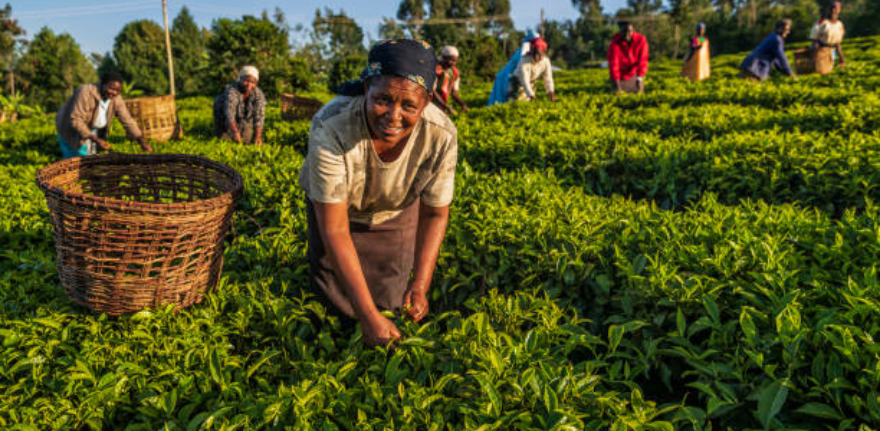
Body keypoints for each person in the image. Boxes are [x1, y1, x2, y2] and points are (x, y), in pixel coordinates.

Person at [299, 39, 458, 347]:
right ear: (367, 87)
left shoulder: (441, 135)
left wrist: (420, 285)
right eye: (382, 99)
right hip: (336, 214)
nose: (393, 116)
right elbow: (333, 228)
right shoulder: (332, 125)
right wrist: (368, 316)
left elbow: (436, 213)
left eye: (409, 105)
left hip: (396, 212)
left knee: (392, 300)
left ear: (426, 102)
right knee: (334, 306)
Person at [55, 71, 152, 159]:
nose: (114, 93)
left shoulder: (116, 98)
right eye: (111, 88)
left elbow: (127, 120)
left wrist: (141, 140)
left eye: (118, 90)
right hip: (70, 129)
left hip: (90, 129)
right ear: (103, 84)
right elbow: (76, 120)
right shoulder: (86, 92)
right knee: (75, 160)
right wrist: (96, 139)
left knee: (90, 158)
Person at [213, 66, 266, 145]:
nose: (249, 84)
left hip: (244, 117)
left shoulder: (258, 95)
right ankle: (223, 131)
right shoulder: (232, 90)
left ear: (256, 83)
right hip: (222, 114)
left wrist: (258, 137)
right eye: (246, 81)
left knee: (246, 140)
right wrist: (235, 132)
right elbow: (229, 113)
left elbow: (259, 117)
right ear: (240, 80)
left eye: (252, 82)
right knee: (225, 139)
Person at [487, 29, 538, 106]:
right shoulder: (525, 49)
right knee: (504, 101)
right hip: (507, 77)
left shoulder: (527, 49)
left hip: (508, 75)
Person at [509, 37, 557, 102]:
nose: (538, 58)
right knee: (516, 102)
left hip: (531, 82)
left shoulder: (546, 61)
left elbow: (548, 78)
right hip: (517, 83)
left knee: (528, 102)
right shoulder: (524, 61)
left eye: (540, 55)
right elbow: (524, 80)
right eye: (536, 54)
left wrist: (551, 92)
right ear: (532, 52)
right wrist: (531, 95)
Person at [608, 21, 650, 94]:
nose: (627, 34)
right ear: (620, 32)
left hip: (635, 73)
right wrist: (616, 84)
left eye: (629, 31)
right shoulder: (615, 42)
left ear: (632, 30)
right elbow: (614, 64)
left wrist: (639, 77)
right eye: (624, 32)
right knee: (617, 94)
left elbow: (643, 60)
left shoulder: (641, 40)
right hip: (620, 75)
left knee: (639, 93)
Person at [809, 2, 846, 70]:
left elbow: (838, 44)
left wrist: (842, 58)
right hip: (821, 50)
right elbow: (814, 39)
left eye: (836, 9)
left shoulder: (839, 24)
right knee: (821, 70)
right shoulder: (822, 22)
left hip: (832, 51)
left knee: (830, 68)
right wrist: (817, 56)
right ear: (828, 10)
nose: (834, 11)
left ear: (839, 10)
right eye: (832, 8)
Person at [433, 46, 468, 115]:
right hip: (430, 105)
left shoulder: (454, 72)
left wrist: (462, 104)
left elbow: (454, 93)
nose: (453, 63)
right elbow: (432, 91)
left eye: (455, 61)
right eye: (451, 60)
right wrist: (446, 107)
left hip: (442, 106)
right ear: (444, 58)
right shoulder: (436, 70)